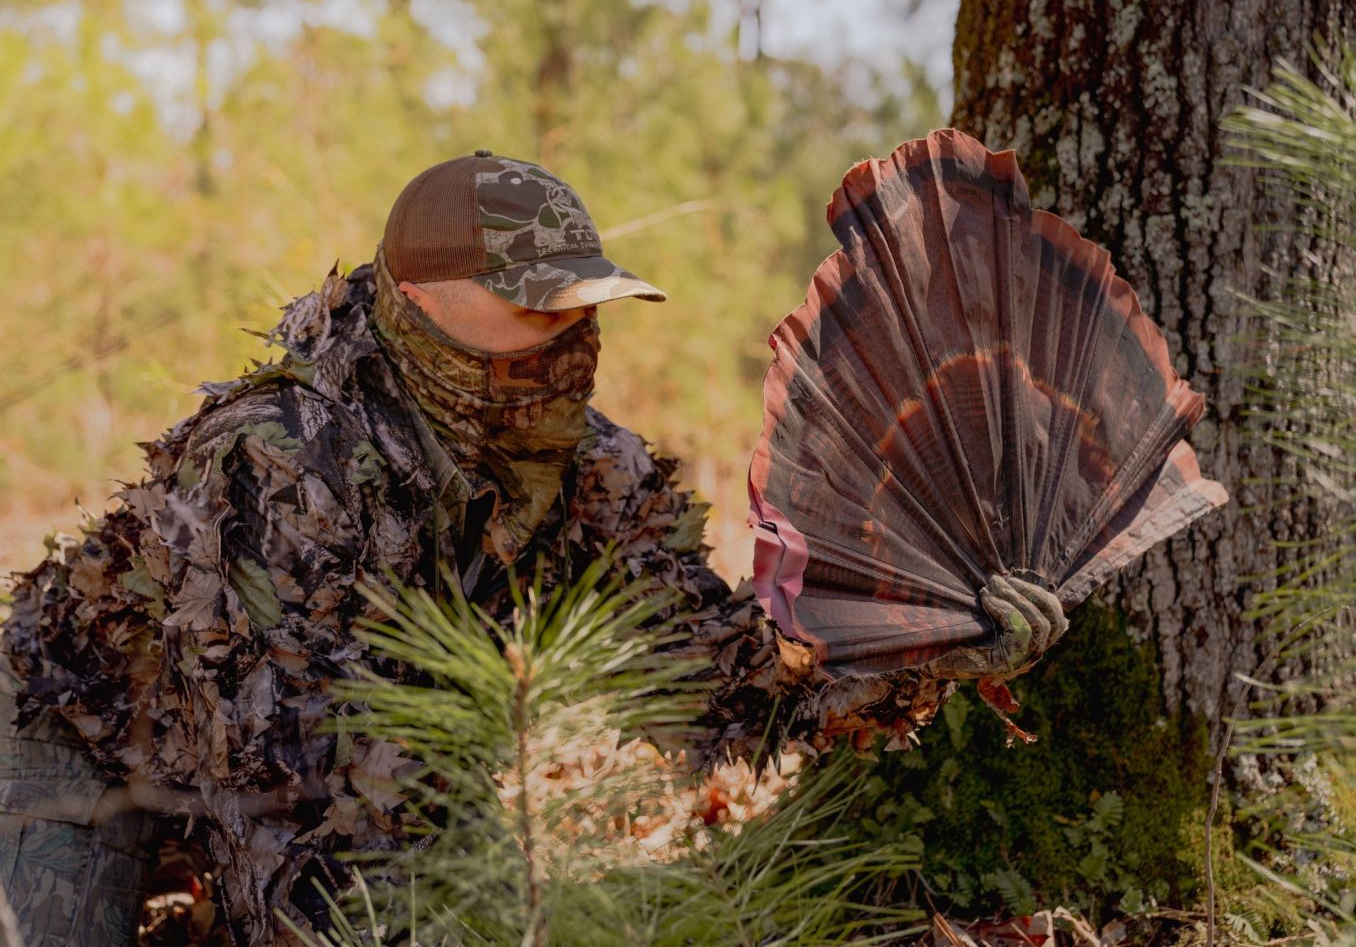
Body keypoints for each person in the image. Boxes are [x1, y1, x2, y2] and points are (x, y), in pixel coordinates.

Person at [0, 150, 1066, 945]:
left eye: (580, 304)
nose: (570, 337)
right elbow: (291, 804)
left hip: (356, 768)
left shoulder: (588, 464)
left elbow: (723, 684)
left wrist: (920, 644)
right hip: (80, 738)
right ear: (418, 299)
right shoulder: (277, 462)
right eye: (533, 307)